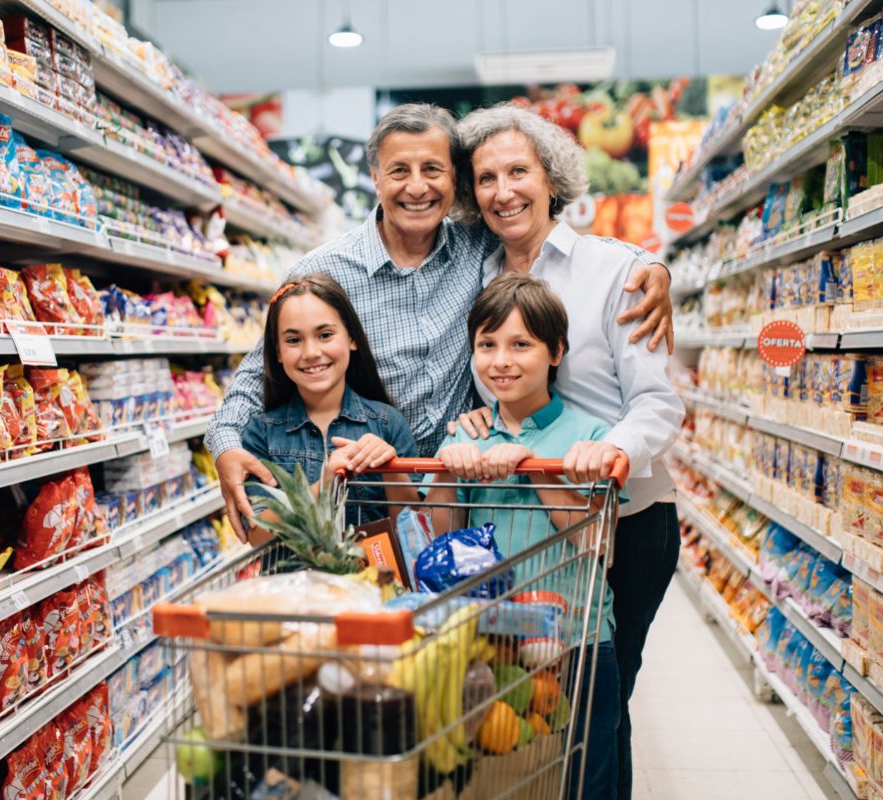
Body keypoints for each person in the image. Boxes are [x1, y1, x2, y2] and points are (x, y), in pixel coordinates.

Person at [207, 103, 675, 541]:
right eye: (398, 171)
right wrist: (226, 443)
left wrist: (652, 267)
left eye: (432, 170)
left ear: (453, 182)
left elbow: (552, 238)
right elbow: (259, 369)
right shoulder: (327, 271)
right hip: (381, 498)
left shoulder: (477, 248)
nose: (417, 187)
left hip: (510, 496)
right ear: (374, 178)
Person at [451, 103, 685, 800]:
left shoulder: (617, 271)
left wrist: (601, 452)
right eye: (486, 178)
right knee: (545, 709)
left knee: (601, 705)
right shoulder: (473, 272)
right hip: (526, 531)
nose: (503, 191)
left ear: (551, 178)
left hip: (627, 523)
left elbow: (657, 403)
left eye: (517, 171)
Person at [426, 272, 620, 800]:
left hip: (579, 640)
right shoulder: (467, 433)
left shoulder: (592, 437)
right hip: (492, 642)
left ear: (556, 351)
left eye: (521, 345)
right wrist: (448, 469)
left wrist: (535, 467)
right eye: (487, 345)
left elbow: (597, 545)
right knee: (499, 781)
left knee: (584, 778)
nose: (501, 361)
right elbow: (439, 537)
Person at [239, 273, 418, 543]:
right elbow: (257, 536)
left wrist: (392, 468)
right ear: (277, 352)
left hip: (374, 580)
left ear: (351, 338)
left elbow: (413, 531)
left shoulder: (387, 422)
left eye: (325, 335)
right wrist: (324, 484)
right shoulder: (260, 433)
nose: (311, 352)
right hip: (297, 583)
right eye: (293, 340)